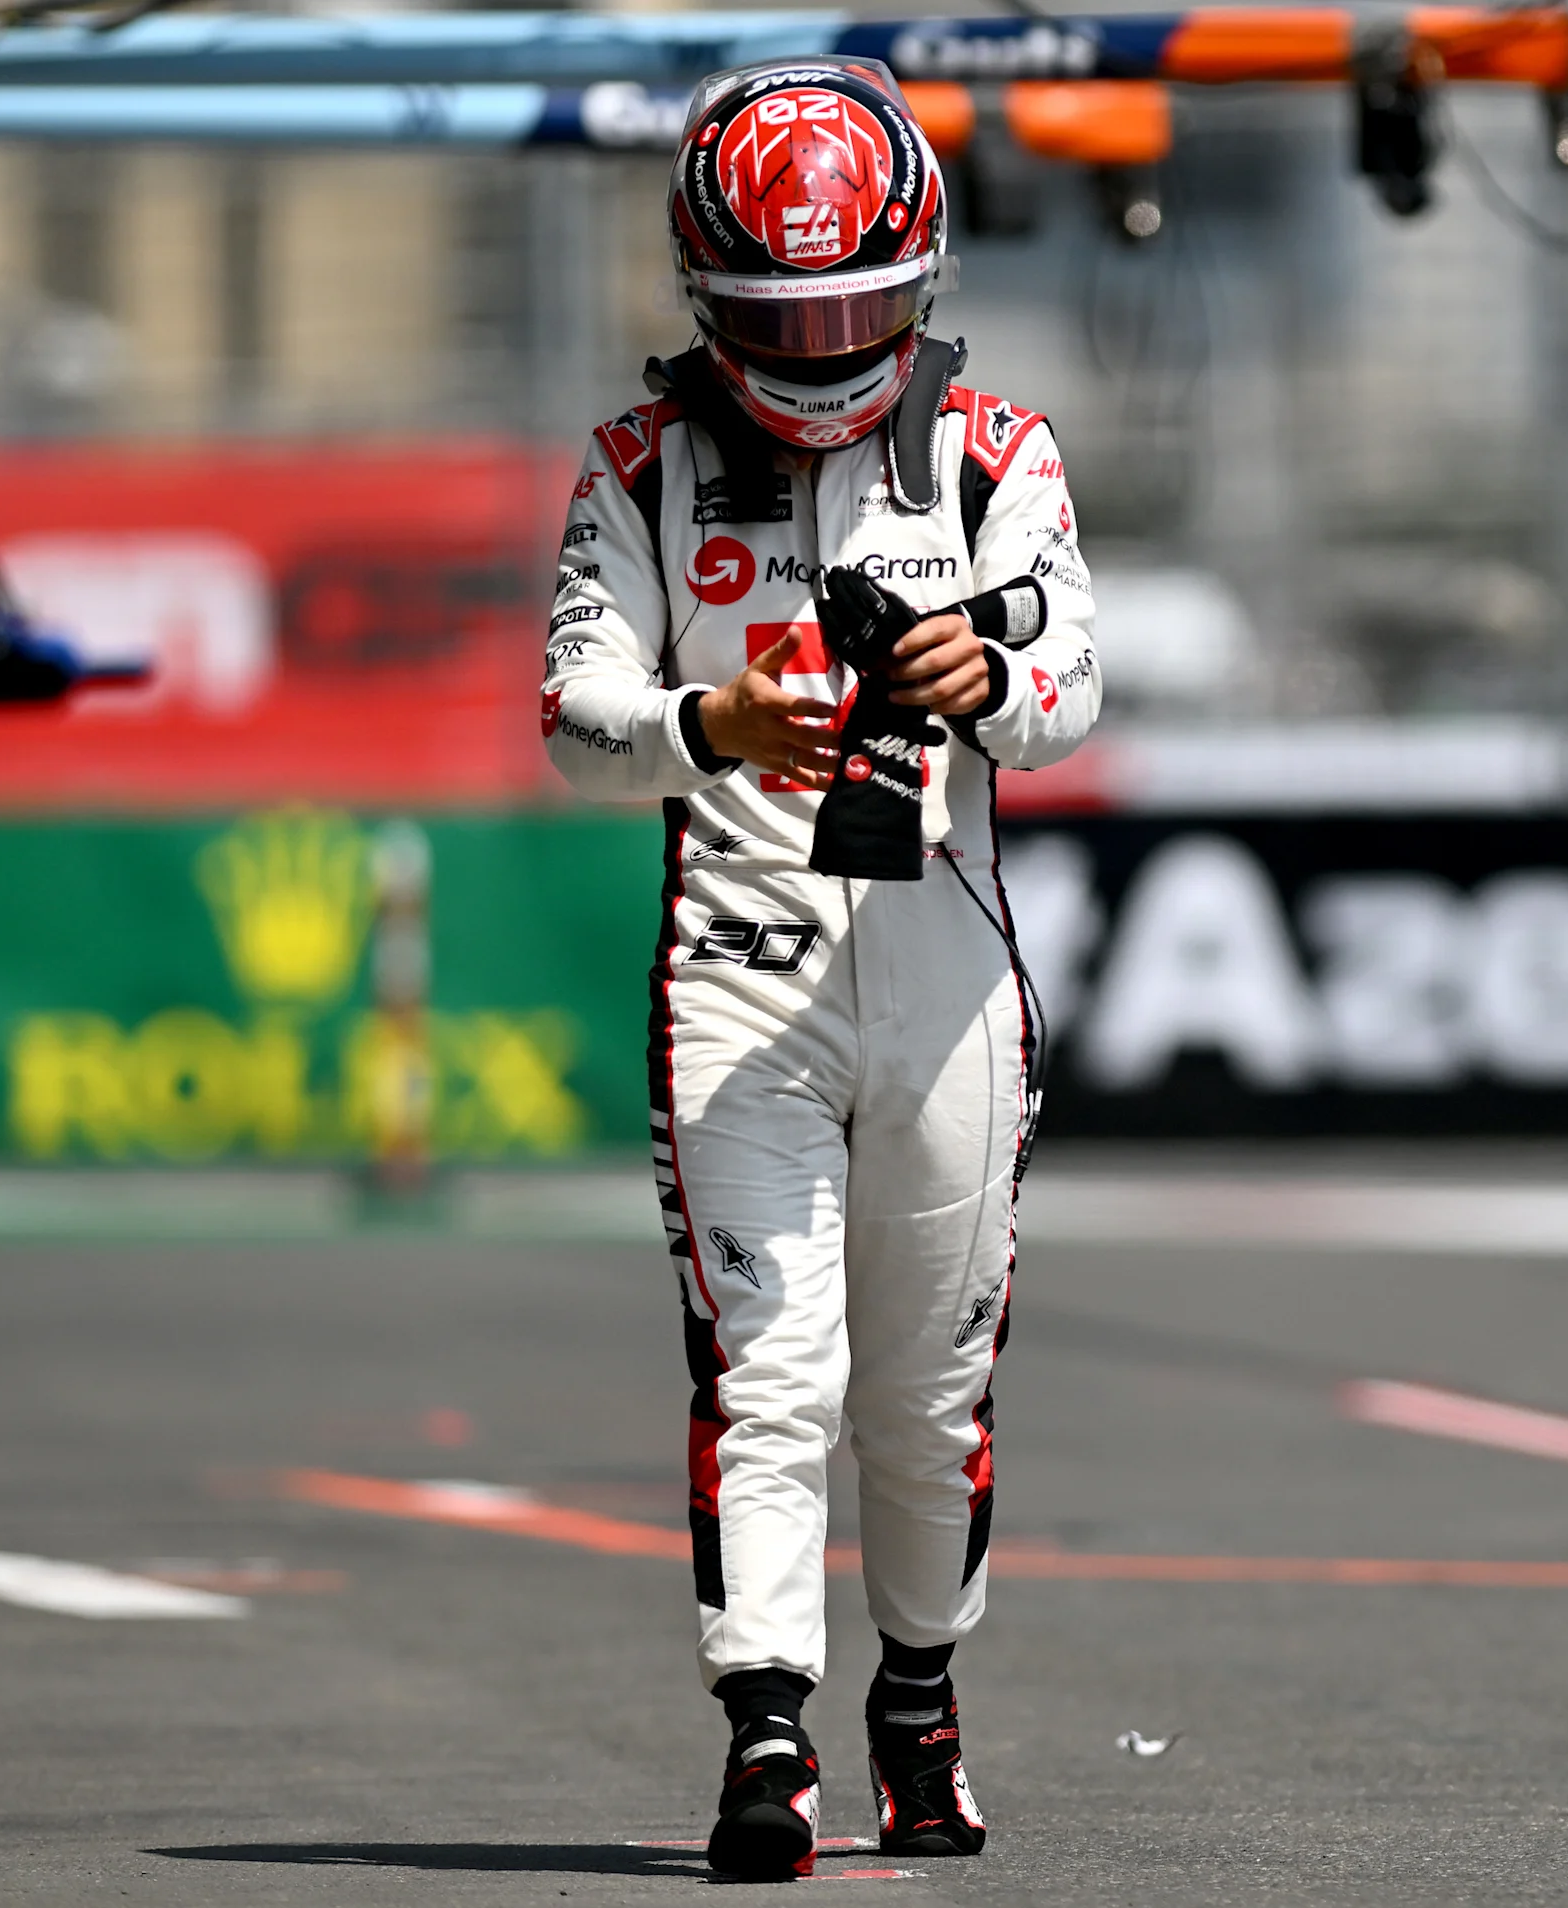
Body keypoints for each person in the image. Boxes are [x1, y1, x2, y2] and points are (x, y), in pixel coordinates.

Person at [536, 52, 1102, 1882]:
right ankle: (765, 1731)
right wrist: (714, 715)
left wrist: (980, 680)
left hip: (948, 985)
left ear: (922, 277)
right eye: (786, 316)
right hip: (738, 975)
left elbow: (1072, 693)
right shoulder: (636, 467)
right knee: (766, 1373)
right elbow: (577, 713)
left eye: (855, 305)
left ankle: (918, 1706)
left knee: (928, 1398)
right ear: (705, 303)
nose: (823, 347)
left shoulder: (1001, 454)